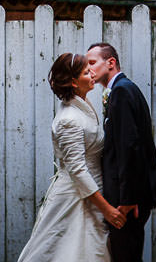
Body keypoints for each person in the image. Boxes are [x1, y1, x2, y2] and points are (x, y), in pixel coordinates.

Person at [16, 52, 127, 262]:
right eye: (86, 72)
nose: (93, 73)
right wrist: (107, 209)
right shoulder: (69, 119)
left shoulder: (84, 107)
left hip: (94, 190)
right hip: (77, 197)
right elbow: (77, 170)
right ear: (74, 82)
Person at [85, 42, 156, 262]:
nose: (88, 69)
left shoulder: (121, 91)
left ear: (110, 62)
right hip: (127, 195)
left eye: (92, 62)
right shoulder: (121, 89)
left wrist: (129, 198)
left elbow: (129, 147)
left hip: (126, 201)